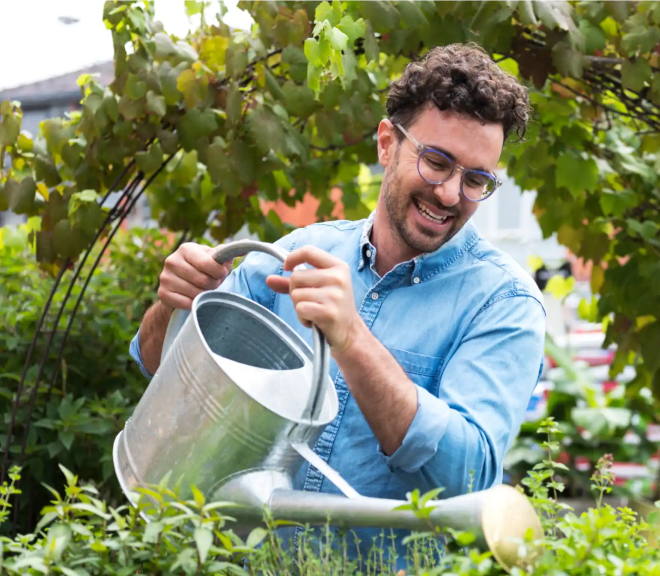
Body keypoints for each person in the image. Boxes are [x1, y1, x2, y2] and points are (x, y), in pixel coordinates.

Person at [127, 42, 546, 567]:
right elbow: (161, 368)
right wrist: (173, 303)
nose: (449, 194)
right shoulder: (295, 256)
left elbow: (467, 476)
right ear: (388, 143)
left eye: (476, 180)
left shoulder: (503, 302)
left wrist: (352, 338)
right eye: (437, 162)